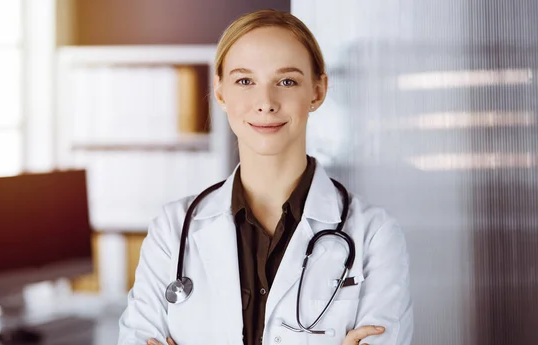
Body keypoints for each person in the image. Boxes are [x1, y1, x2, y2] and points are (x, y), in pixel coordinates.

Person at [118, 9, 413, 345]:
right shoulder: (171, 230)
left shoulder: (374, 235)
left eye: (287, 81)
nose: (265, 102)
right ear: (219, 92)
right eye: (245, 81)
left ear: (317, 91)